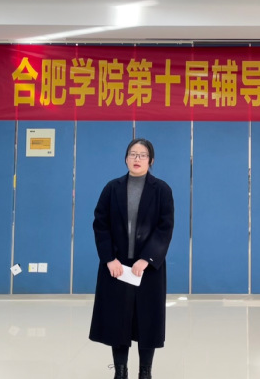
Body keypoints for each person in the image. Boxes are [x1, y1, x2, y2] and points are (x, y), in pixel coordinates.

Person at [89, 138, 175, 379]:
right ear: (126, 158)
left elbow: (165, 227)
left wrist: (147, 258)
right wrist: (109, 259)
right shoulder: (112, 188)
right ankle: (120, 371)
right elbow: (100, 224)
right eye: (132, 154)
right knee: (118, 321)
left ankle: (145, 372)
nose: (137, 159)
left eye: (142, 155)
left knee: (147, 321)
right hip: (117, 267)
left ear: (151, 160)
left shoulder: (162, 190)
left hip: (147, 268)